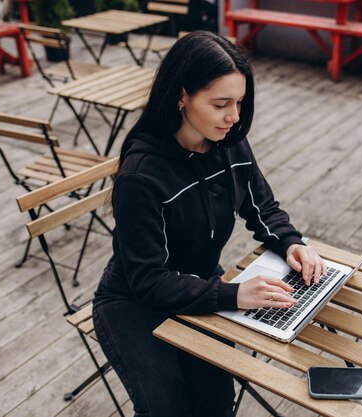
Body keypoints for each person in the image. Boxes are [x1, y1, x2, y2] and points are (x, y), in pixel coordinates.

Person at [93, 31, 327, 417]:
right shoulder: (141, 176)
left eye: (239, 102)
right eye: (221, 104)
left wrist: (290, 244)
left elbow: (261, 207)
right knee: (168, 408)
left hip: (202, 285)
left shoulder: (230, 141)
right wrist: (232, 295)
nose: (234, 116)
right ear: (182, 95)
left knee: (216, 406)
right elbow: (149, 279)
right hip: (132, 301)